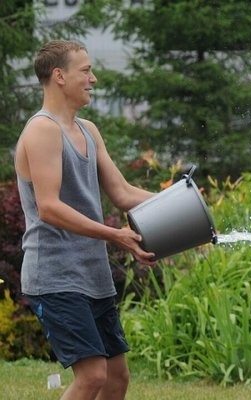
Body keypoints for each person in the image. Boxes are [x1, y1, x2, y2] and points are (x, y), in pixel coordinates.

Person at [14, 40, 156, 400]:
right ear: (59, 76)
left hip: (91, 273)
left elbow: (122, 193)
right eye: (86, 71)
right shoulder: (42, 130)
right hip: (55, 274)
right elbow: (50, 207)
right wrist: (116, 235)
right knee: (92, 375)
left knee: (117, 377)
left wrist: (184, 200)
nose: (93, 78)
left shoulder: (89, 130)